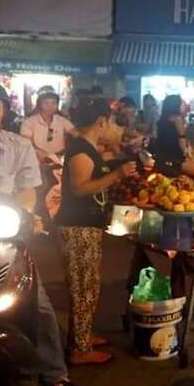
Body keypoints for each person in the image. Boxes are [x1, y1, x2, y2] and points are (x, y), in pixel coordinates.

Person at [0, 86, 78, 386]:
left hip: (5, 239)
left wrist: (22, 213)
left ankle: (54, 373)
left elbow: (29, 189)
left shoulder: (16, 145)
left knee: (39, 305)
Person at [54, 97, 137, 365]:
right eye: (109, 121)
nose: (111, 125)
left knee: (88, 285)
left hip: (86, 225)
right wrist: (118, 175)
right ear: (101, 121)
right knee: (83, 288)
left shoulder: (89, 147)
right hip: (76, 227)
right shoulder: (80, 150)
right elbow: (80, 188)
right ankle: (80, 349)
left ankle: (82, 336)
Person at [153, 95, 194, 188]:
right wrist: (181, 132)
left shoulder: (162, 121)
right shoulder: (177, 120)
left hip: (164, 158)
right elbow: (182, 147)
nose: (185, 105)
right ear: (175, 105)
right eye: (182, 103)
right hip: (173, 160)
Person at [20, 90, 76, 163]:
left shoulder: (61, 120)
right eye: (46, 103)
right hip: (37, 159)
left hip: (59, 158)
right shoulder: (29, 122)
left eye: (54, 103)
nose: (50, 106)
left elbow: (76, 133)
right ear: (39, 104)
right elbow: (26, 144)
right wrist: (42, 155)